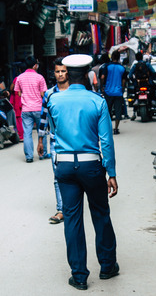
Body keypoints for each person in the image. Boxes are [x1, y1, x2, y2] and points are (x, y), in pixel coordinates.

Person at [47, 54, 119, 291]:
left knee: (72, 219)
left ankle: (79, 275)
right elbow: (106, 142)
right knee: (100, 214)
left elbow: (55, 133)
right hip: (91, 166)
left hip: (65, 167)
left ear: (67, 73)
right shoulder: (97, 101)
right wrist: (111, 172)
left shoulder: (54, 101)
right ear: (89, 75)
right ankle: (107, 266)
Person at [37, 58, 69, 224]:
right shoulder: (49, 94)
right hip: (55, 141)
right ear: (54, 73)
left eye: (63, 71)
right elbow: (43, 118)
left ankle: (73, 206)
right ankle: (61, 209)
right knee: (58, 176)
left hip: (74, 142)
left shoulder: (75, 92)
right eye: (58, 71)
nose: (61, 74)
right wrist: (40, 140)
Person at [14, 55, 49, 163]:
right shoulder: (40, 77)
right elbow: (43, 94)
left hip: (26, 109)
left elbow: (18, 93)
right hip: (39, 108)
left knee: (27, 133)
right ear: (35, 66)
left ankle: (29, 156)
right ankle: (43, 153)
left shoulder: (19, 77)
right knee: (41, 131)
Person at [100, 50, 127, 135]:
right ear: (119, 58)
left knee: (107, 111)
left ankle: (108, 128)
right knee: (118, 110)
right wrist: (122, 89)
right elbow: (123, 81)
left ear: (111, 57)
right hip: (118, 92)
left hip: (108, 92)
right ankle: (116, 128)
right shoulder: (122, 68)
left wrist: (102, 87)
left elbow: (102, 77)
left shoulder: (107, 67)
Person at [128, 51, 156, 121]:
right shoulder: (147, 64)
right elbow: (153, 72)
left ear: (136, 58)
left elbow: (130, 75)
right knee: (154, 94)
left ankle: (134, 113)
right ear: (142, 57)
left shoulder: (135, 66)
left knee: (136, 96)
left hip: (138, 85)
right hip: (148, 84)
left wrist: (134, 81)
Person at [9, 63, 26, 142]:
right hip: (26, 99)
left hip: (18, 99)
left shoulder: (17, 78)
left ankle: (21, 135)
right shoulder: (27, 78)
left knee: (18, 118)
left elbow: (11, 88)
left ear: (19, 70)